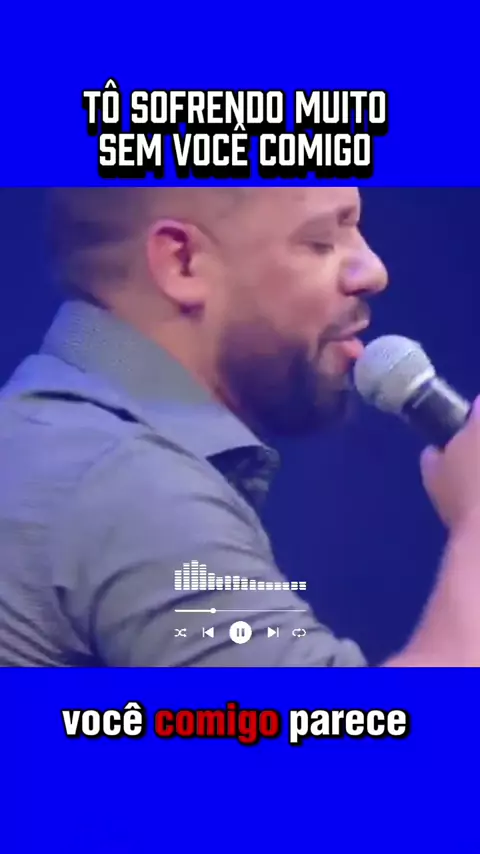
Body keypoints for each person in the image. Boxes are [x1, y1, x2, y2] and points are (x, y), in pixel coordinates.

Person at [0, 186, 477, 667]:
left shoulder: (55, 442)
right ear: (183, 263)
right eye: (320, 242)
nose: (374, 271)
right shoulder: (125, 484)